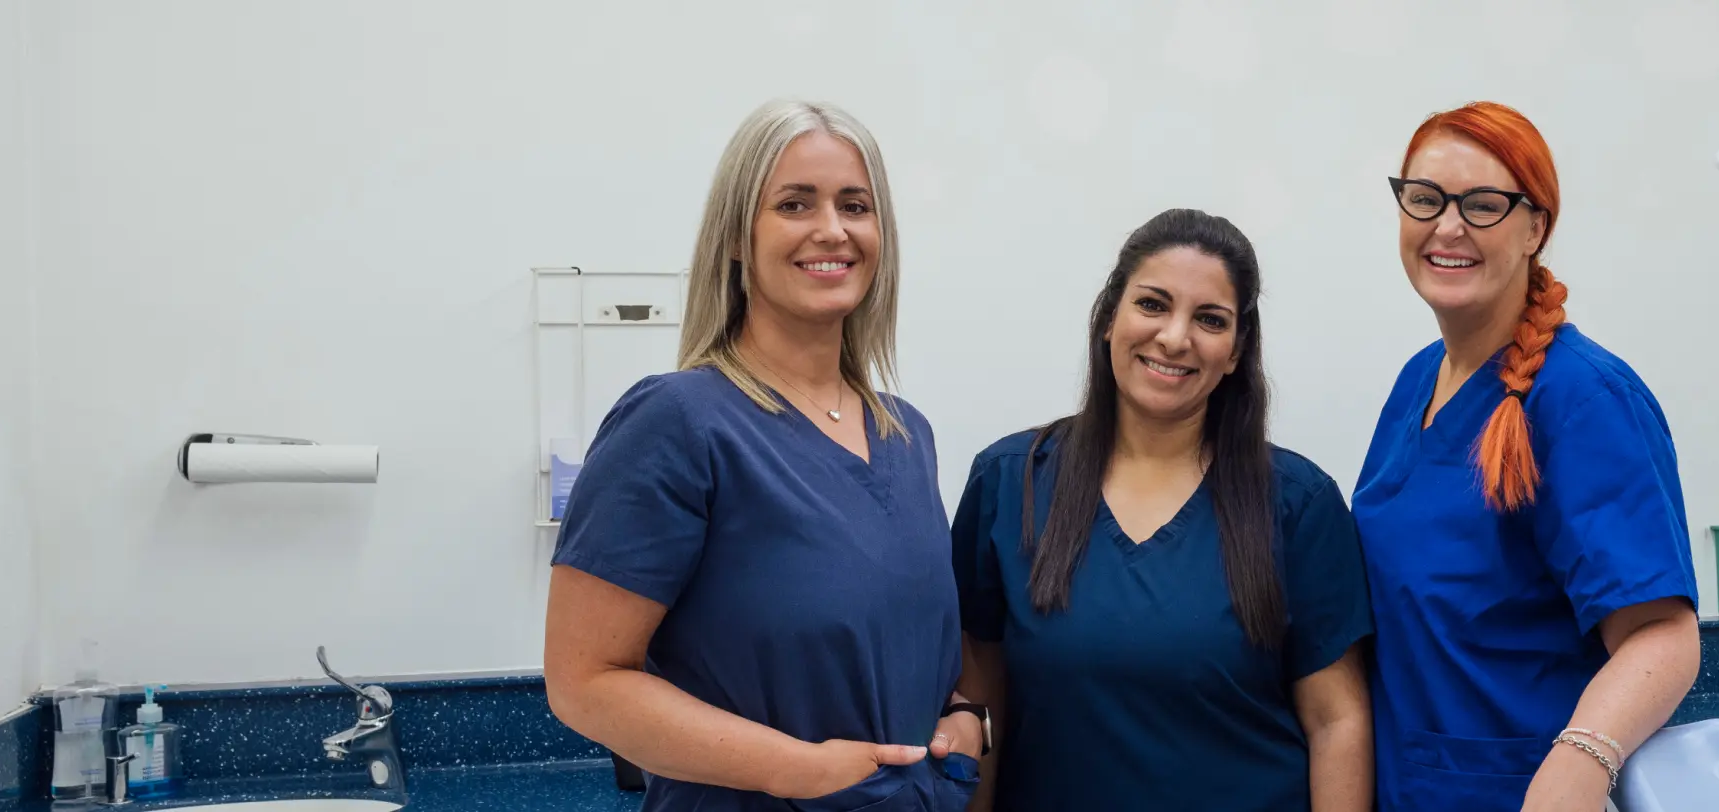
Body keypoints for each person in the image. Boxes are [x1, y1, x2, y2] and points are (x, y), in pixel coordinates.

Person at [541, 99, 982, 812]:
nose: (831, 229)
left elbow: (891, 647)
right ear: (739, 236)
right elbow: (582, 682)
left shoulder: (907, 436)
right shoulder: (678, 423)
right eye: (795, 204)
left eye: (855, 205)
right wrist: (797, 771)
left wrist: (965, 717)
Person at [948, 208, 1376, 812]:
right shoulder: (1010, 482)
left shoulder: (1297, 503)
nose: (1176, 338)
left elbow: (1337, 722)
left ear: (1235, 352)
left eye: (1209, 319)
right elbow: (981, 700)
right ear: (1107, 319)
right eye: (1152, 304)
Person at [1356, 100, 1702, 812]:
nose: (1447, 227)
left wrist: (1579, 764)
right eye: (1425, 200)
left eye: (1483, 205)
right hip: (1412, 785)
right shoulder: (1418, 380)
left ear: (1535, 227)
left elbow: (1662, 636)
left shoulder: (1582, 399)